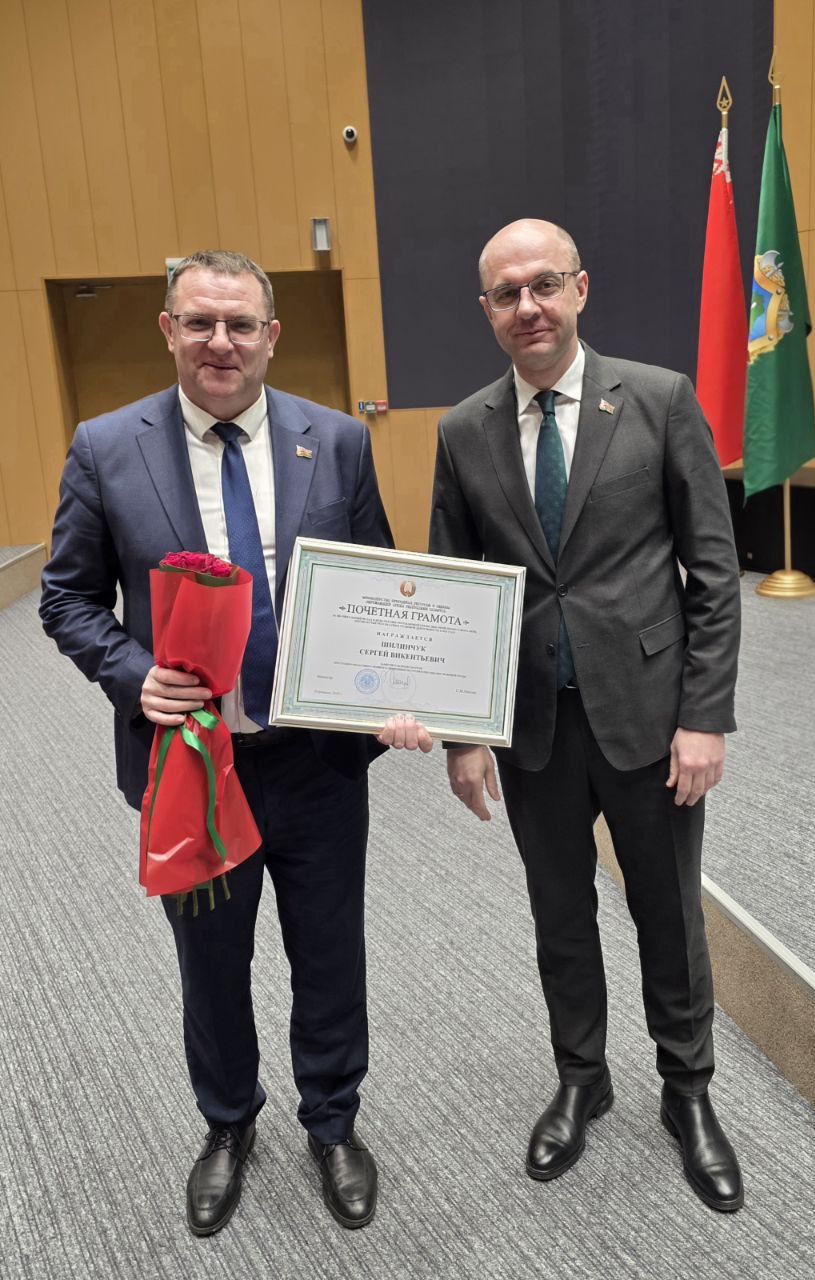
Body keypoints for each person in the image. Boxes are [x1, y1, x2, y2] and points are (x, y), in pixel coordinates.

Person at [40, 250, 394, 1235]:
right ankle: (228, 1121)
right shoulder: (107, 447)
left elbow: (374, 587)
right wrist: (129, 670)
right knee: (212, 963)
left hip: (316, 765)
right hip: (192, 769)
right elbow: (67, 597)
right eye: (199, 322)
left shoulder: (336, 441)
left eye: (240, 324)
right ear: (169, 330)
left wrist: (400, 692)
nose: (220, 342)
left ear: (271, 336)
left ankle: (333, 1121)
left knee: (330, 953)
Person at [395, 217, 744, 1211]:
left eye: (543, 284)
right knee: (559, 914)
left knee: (666, 913)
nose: (528, 307)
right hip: (531, 726)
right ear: (486, 309)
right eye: (506, 293)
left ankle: (686, 1090)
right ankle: (581, 1077)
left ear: (579, 288)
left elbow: (713, 573)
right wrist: (464, 735)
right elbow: (456, 590)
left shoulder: (659, 399)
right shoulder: (462, 430)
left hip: (649, 718)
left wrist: (703, 716)